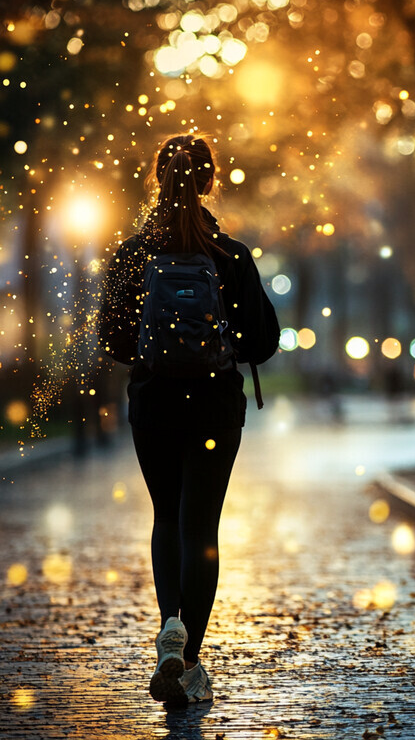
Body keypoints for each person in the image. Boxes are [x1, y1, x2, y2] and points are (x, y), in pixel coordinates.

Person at [97, 133, 280, 707]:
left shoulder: (131, 255)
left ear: (158, 179)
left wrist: (156, 352)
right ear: (208, 183)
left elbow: (113, 338)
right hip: (213, 408)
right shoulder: (230, 255)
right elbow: (264, 342)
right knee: (200, 526)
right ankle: (190, 656)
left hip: (152, 404)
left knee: (165, 520)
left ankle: (169, 627)